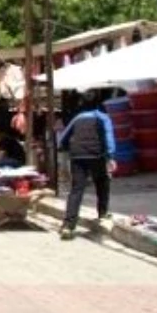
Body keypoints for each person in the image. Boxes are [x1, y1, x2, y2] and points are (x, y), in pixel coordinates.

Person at [57, 92, 116, 240]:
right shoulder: (102, 117)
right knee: (102, 182)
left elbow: (63, 138)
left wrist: (66, 148)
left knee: (76, 190)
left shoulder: (76, 118)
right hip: (96, 155)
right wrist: (110, 156)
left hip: (77, 156)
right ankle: (102, 213)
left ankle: (68, 226)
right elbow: (109, 137)